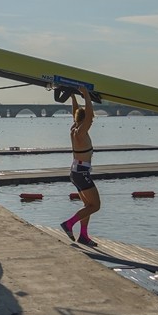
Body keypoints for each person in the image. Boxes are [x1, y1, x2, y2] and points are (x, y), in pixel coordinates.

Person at [60, 86, 100, 247]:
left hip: (76, 172)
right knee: (95, 206)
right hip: (81, 173)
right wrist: (86, 95)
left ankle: (83, 236)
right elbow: (89, 115)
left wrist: (73, 97)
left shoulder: (75, 128)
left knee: (87, 206)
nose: (91, 121)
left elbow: (78, 112)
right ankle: (69, 224)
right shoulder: (81, 131)